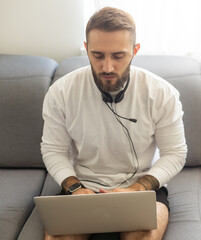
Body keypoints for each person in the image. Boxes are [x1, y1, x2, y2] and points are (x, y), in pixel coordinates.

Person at [41, 7, 187, 240]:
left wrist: (138, 188)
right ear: (86, 49)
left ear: (135, 50)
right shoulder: (61, 92)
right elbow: (53, 150)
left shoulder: (162, 93)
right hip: (81, 187)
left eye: (118, 56)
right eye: (98, 55)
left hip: (141, 189)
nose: (107, 67)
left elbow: (175, 153)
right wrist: (76, 188)